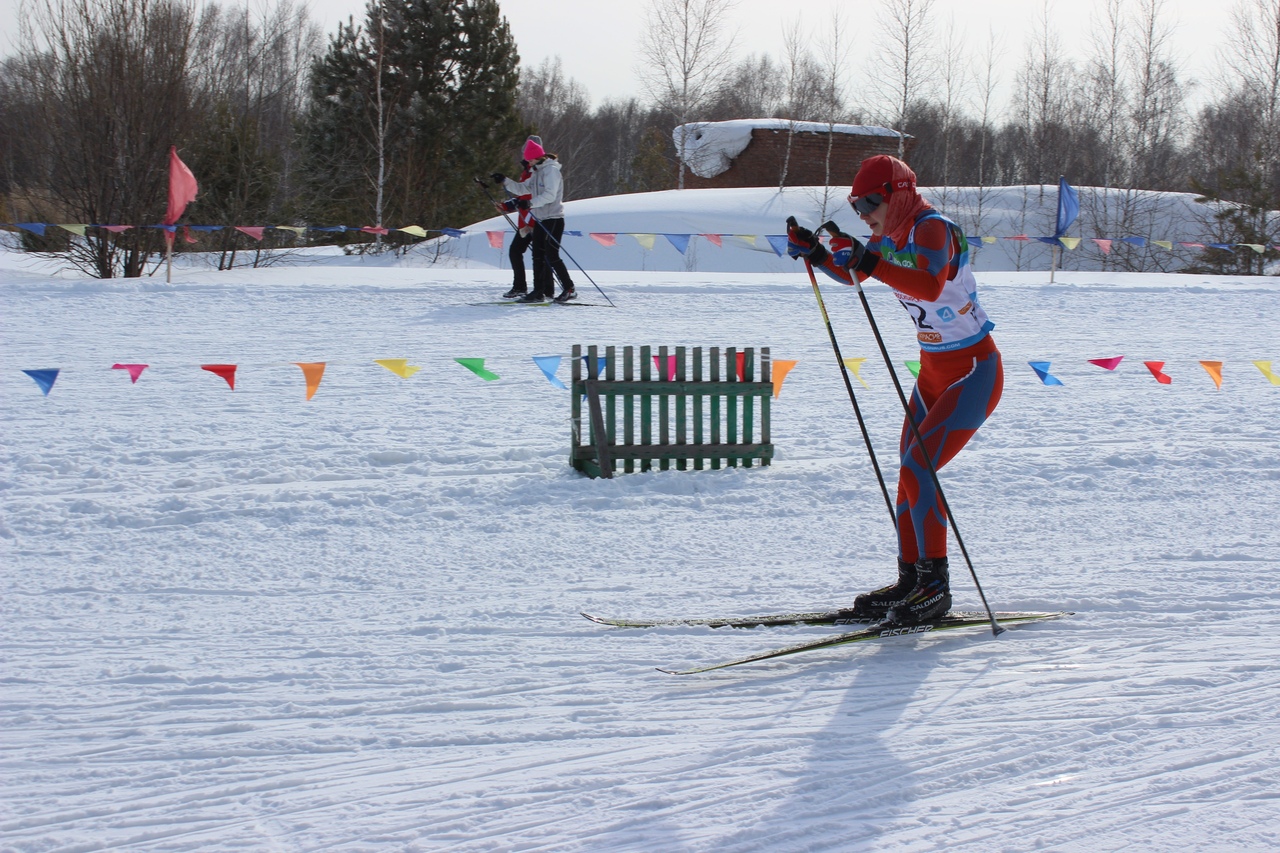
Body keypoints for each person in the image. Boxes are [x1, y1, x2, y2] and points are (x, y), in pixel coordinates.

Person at [786, 154, 1004, 626]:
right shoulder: (892, 233)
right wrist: (819, 255)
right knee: (908, 472)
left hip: (973, 370)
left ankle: (935, 586)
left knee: (918, 466)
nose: (863, 214)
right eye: (856, 205)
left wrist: (867, 258)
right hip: (932, 371)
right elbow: (858, 273)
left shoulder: (932, 229)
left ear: (897, 193)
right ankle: (911, 579)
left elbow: (928, 284)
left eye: (869, 202)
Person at [491, 135, 576, 303]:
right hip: (540, 218)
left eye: (529, 160)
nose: (527, 164)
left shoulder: (551, 171)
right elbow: (523, 188)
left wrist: (530, 203)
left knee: (552, 255)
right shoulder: (536, 172)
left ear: (537, 158)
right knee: (537, 256)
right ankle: (538, 291)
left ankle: (569, 288)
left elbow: (550, 195)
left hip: (554, 218)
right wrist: (505, 181)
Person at [496, 159, 535, 299]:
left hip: (534, 221)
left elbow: (533, 198)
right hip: (525, 221)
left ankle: (544, 290)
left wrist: (531, 222)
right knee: (516, 251)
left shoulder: (536, 172)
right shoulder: (526, 172)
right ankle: (520, 287)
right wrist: (506, 206)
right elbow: (521, 197)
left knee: (540, 256)